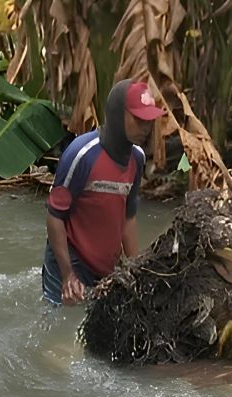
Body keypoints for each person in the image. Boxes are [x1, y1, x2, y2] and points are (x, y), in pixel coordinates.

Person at [42, 80, 165, 305]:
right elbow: (54, 216)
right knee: (61, 328)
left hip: (105, 266)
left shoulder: (137, 159)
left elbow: (128, 217)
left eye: (149, 121)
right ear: (117, 115)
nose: (146, 128)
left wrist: (135, 268)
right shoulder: (81, 154)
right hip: (70, 260)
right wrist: (68, 275)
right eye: (138, 119)